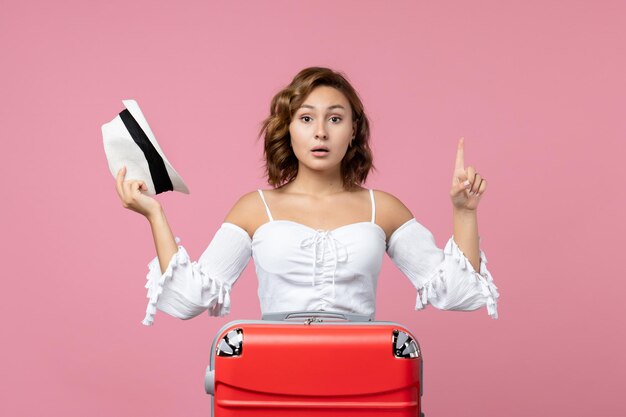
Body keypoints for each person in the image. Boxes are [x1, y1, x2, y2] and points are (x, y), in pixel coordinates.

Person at [115, 67, 499, 326]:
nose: (320, 132)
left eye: (335, 118)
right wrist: (155, 215)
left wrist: (464, 213)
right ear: (289, 129)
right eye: (306, 118)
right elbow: (188, 300)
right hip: (275, 378)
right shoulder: (255, 208)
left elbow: (459, 294)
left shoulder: (383, 208)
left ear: (353, 131)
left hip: (363, 377)